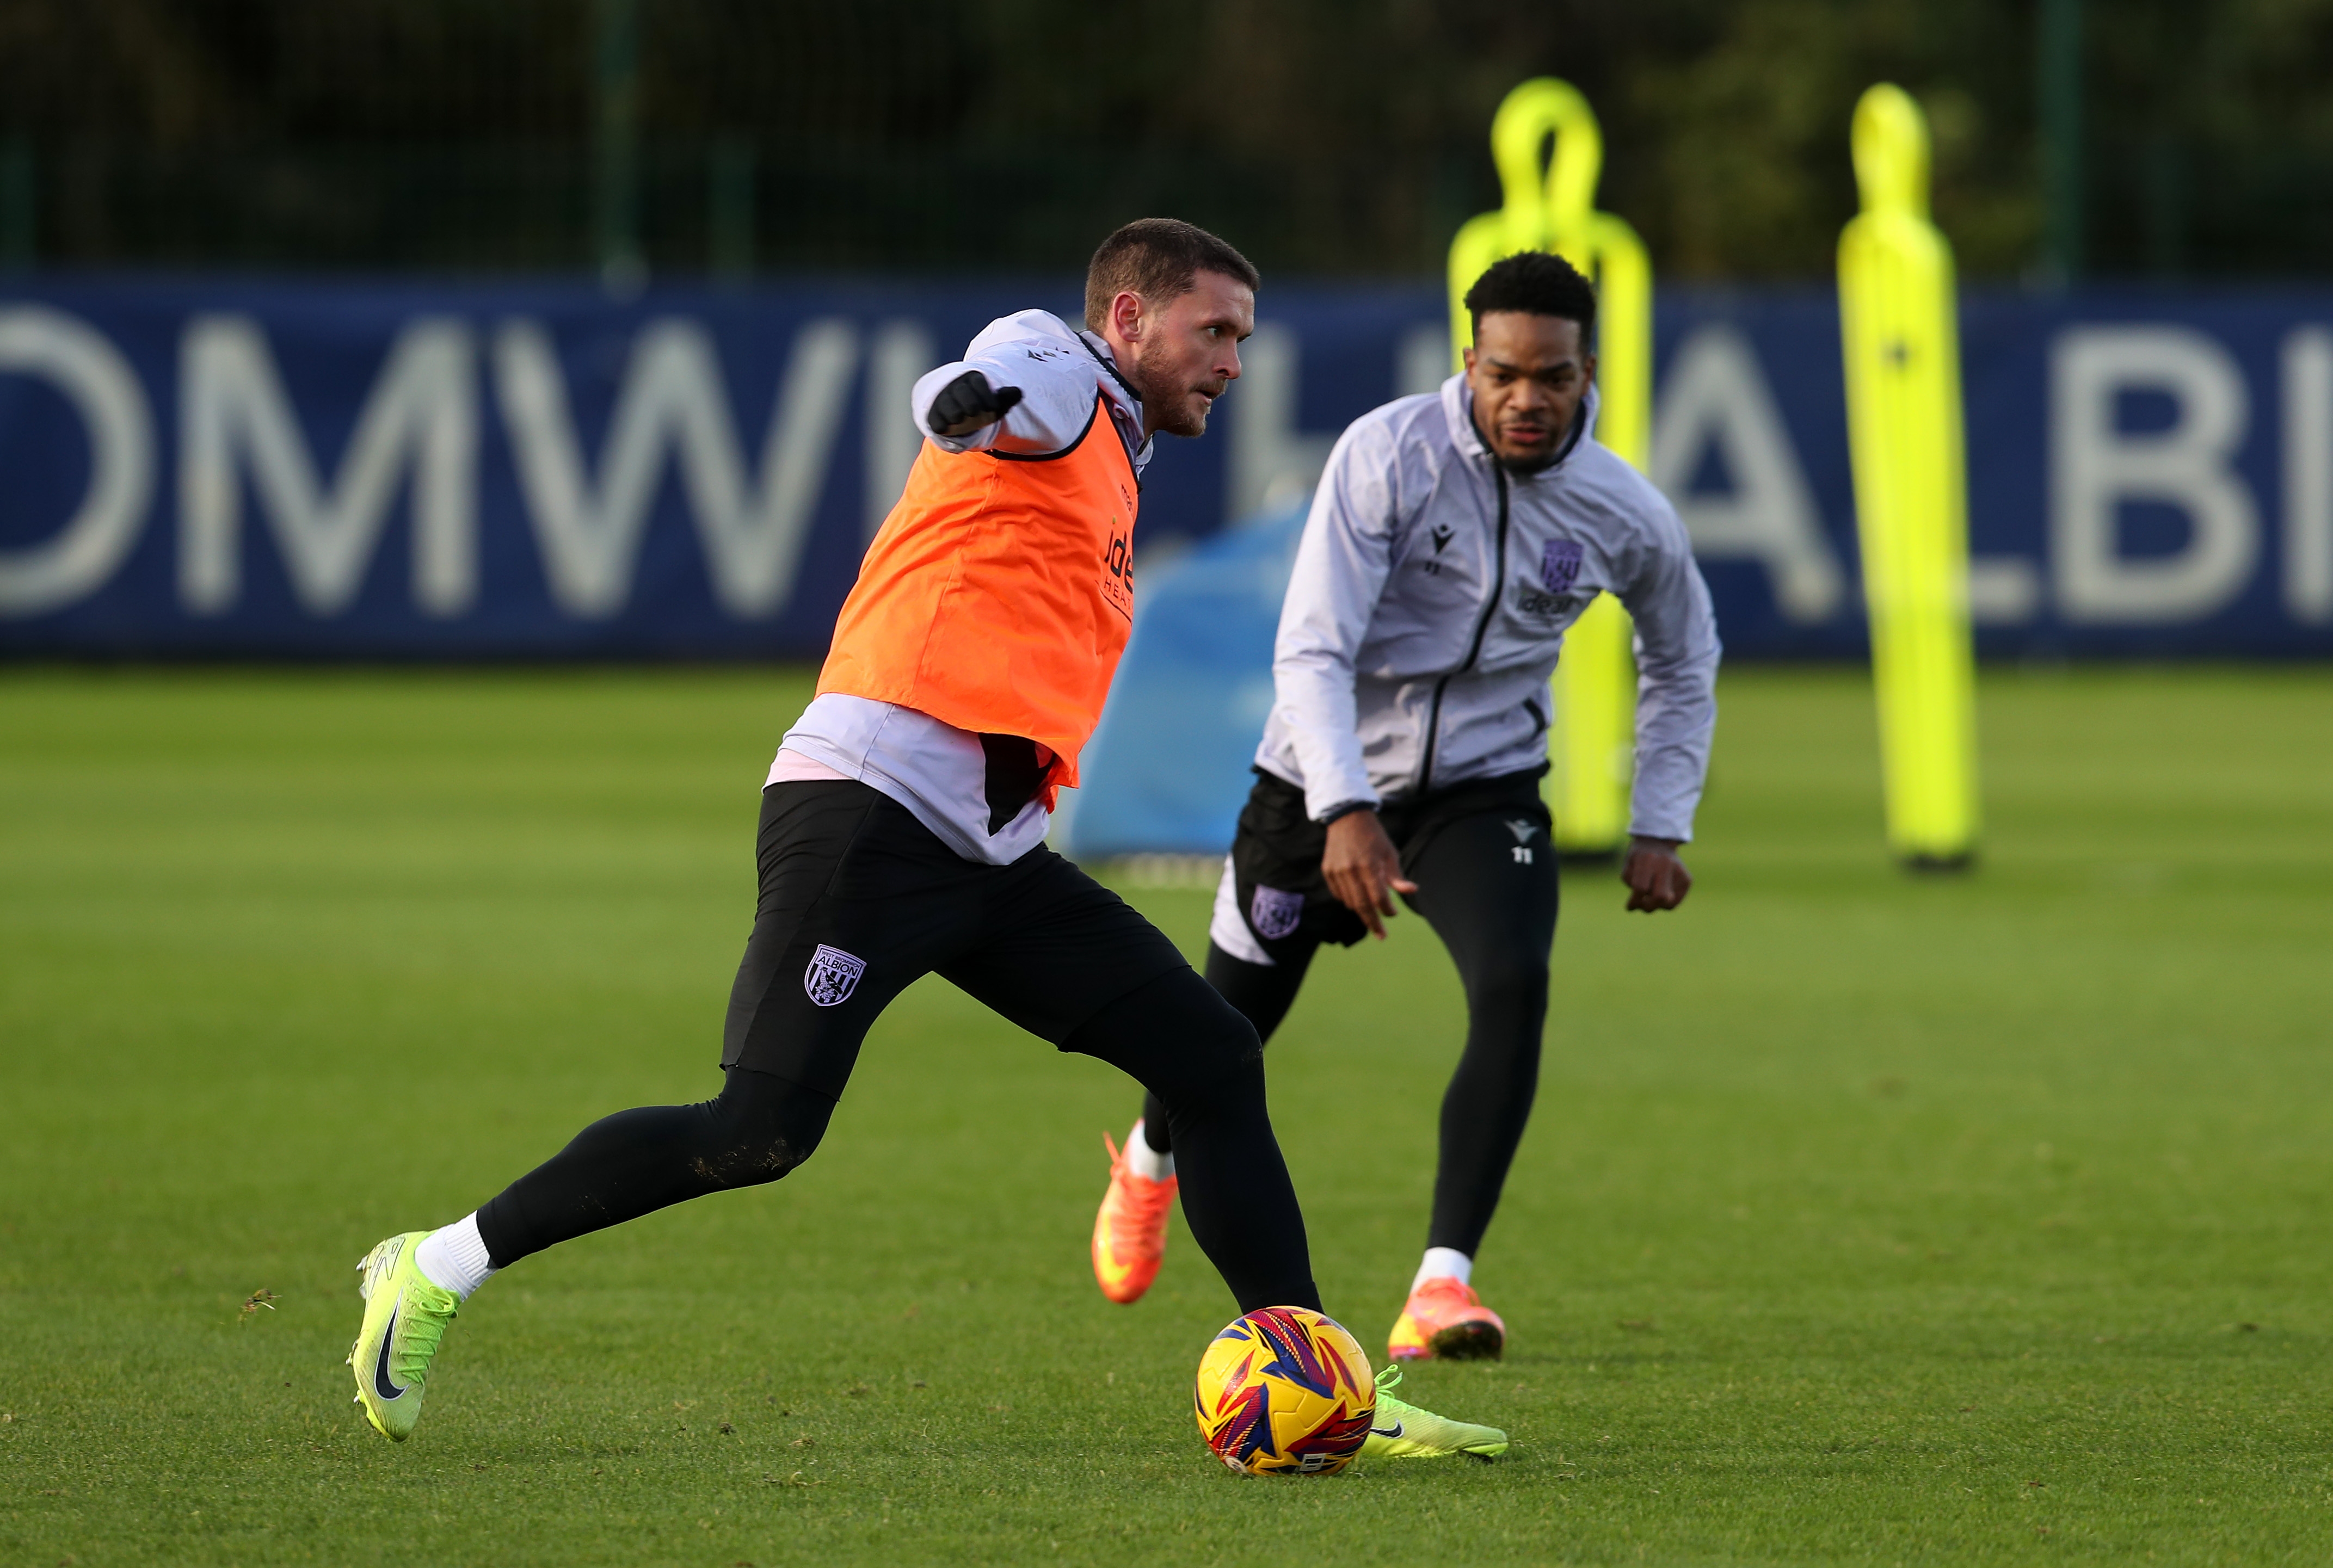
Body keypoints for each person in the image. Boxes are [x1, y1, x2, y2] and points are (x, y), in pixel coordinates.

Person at [347, 218, 1504, 1462]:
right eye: (1210, 330)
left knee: (1212, 1059)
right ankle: (433, 1266)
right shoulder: (1056, 372)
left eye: (1241, 336)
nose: (1231, 360)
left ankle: (1327, 1385)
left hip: (989, 851)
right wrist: (968, 398)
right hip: (870, 814)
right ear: (1126, 320)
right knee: (756, 1131)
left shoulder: (1115, 443)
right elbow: (989, 386)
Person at [1089, 251, 1721, 1366]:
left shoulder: (1622, 509)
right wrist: (1341, 808)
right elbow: (1313, 643)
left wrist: (1659, 818)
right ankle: (1147, 1157)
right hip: (1311, 786)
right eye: (1504, 372)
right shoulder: (1385, 455)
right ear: (1467, 362)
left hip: (1479, 788)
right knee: (1222, 1034)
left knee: (1513, 983)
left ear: (1588, 375)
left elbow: (1682, 654)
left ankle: (1441, 1284)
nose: (1527, 397)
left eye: (1554, 376)